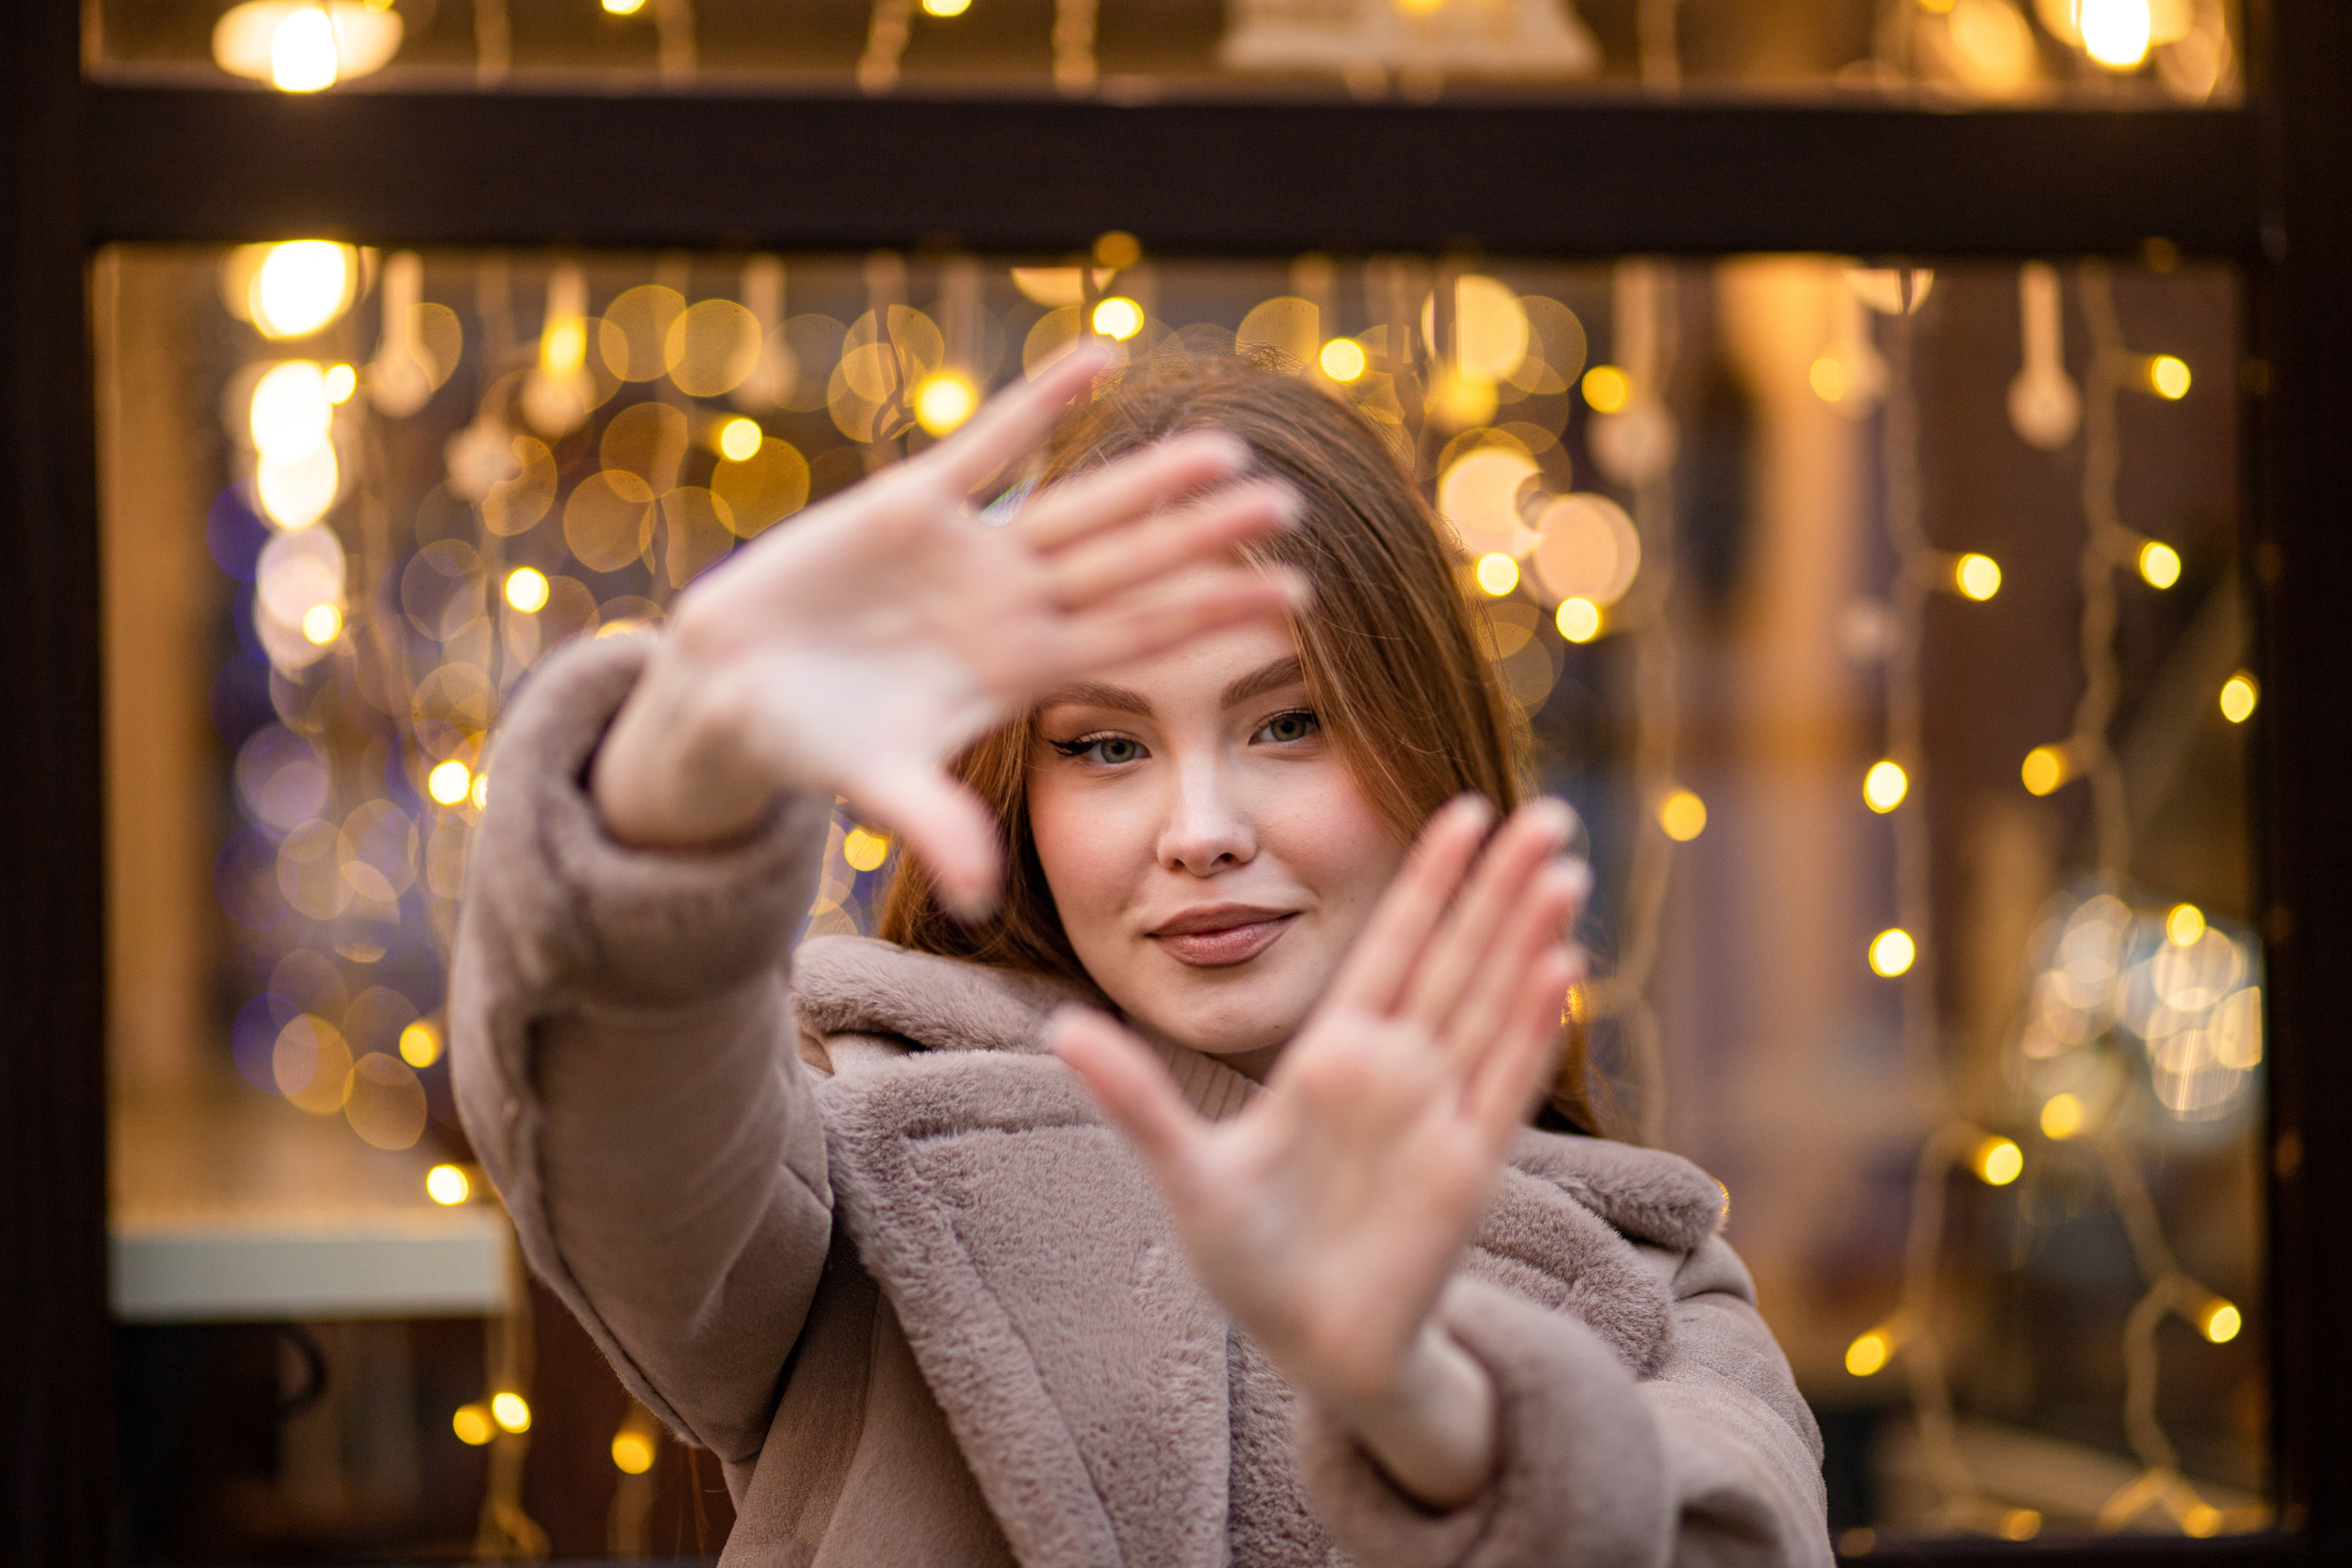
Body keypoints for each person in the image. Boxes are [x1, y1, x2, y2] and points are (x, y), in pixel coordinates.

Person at [452, 344, 1830, 1566]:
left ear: (1429, 746)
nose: (1202, 831)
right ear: (1021, 790)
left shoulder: (1653, 1284)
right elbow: (633, 1141)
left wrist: (1431, 1409)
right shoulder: (856, 1144)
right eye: (1106, 745)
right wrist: (680, 785)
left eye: (1290, 723)